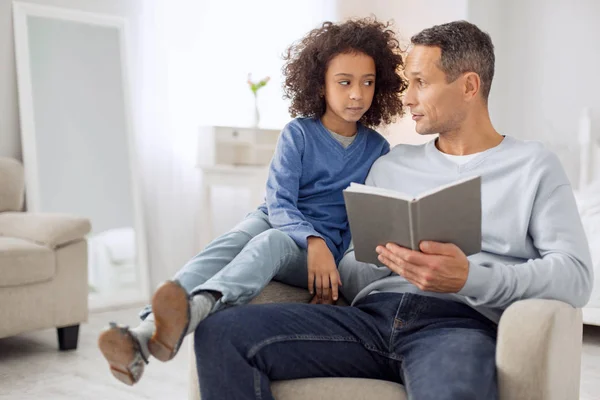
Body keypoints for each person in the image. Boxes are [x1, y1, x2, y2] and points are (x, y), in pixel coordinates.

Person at [191, 20, 594, 400]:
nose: (407, 98)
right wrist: (386, 259)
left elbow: (575, 276)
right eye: (407, 83)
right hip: (368, 318)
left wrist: (470, 277)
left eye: (421, 83)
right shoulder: (391, 164)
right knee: (220, 333)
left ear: (469, 86)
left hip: (456, 325)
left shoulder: (533, 166)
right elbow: (349, 266)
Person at [98, 17, 407, 386]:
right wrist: (311, 237)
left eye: (367, 83)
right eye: (344, 82)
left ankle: (195, 310)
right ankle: (143, 332)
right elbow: (278, 201)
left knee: (271, 242)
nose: (357, 94)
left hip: (313, 250)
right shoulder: (299, 133)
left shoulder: (377, 149)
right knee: (232, 240)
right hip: (281, 219)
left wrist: (324, 251)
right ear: (321, 85)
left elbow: (362, 218)